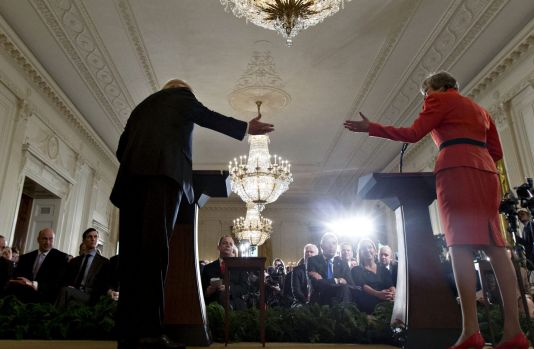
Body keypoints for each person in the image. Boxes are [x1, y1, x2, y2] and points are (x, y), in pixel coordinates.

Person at [344, 71, 527, 349]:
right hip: (486, 172)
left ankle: (471, 332)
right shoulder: (481, 110)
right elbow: (496, 152)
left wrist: (373, 127)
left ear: (437, 87)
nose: (425, 99)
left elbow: (413, 134)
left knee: (460, 247)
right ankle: (514, 332)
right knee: (496, 247)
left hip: (455, 171)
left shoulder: (439, 100)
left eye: (425, 92)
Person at [110, 79, 274, 349]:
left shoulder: (140, 108)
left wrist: (141, 164)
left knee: (131, 259)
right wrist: (246, 128)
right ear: (182, 90)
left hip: (129, 184)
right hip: (162, 179)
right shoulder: (181, 97)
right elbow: (207, 116)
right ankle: (150, 334)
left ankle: (127, 335)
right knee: (154, 255)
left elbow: (121, 149)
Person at [6, 228, 68, 303]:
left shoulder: (61, 258)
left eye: (51, 239)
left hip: (44, 299)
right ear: (38, 240)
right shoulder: (26, 257)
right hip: (22, 297)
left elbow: (57, 283)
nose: (47, 242)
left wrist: (33, 284)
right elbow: (17, 276)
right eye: (44, 239)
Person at [56, 228, 110, 308]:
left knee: (65, 291)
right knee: (69, 301)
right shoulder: (75, 261)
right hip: (74, 291)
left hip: (90, 296)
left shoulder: (104, 262)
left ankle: (52, 316)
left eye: (95, 237)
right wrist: (69, 285)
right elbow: (66, 279)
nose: (93, 239)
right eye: (90, 237)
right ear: (84, 240)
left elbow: (104, 286)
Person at [306, 233, 355, 305]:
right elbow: (316, 284)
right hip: (320, 302)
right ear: (321, 246)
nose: (331, 246)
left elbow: (351, 284)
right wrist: (337, 280)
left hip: (341, 301)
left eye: (334, 243)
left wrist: (323, 280)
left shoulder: (342, 263)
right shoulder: (313, 261)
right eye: (328, 243)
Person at [351, 239, 395, 313]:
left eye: (369, 247)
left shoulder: (383, 269)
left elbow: (390, 284)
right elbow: (363, 286)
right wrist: (378, 294)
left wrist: (394, 294)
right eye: (364, 248)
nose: (367, 250)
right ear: (360, 252)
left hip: (386, 303)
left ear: (375, 250)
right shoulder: (356, 270)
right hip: (368, 307)